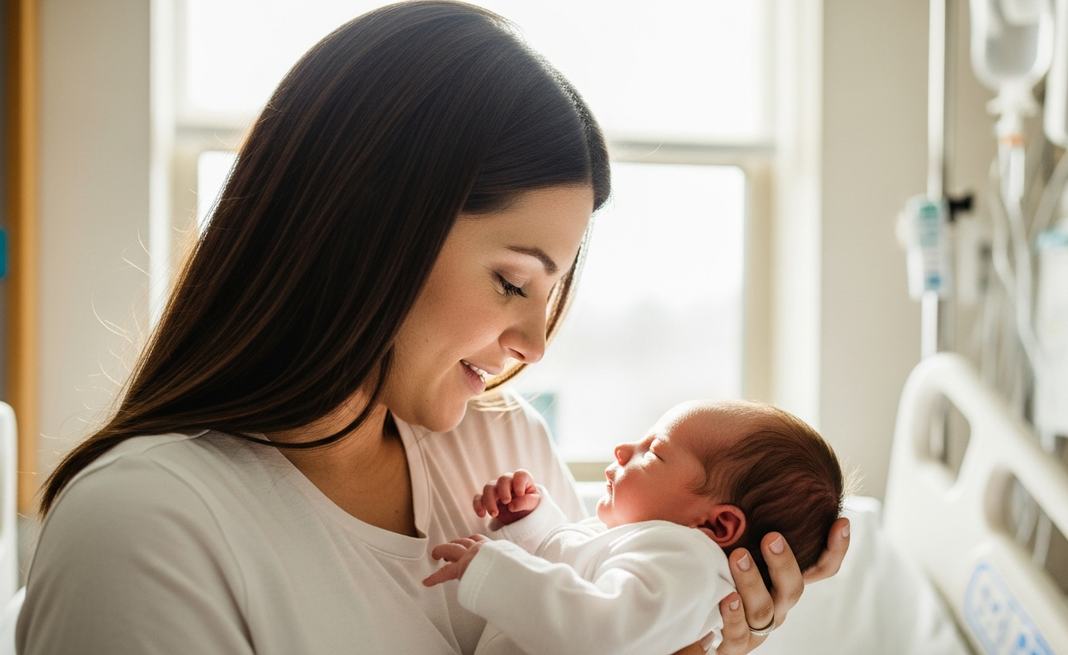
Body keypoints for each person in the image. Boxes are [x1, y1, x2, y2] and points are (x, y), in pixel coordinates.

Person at [16, 2, 850, 654]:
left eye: (549, 294)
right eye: (511, 281)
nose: (535, 344)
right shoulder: (147, 529)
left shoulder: (500, 448)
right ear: (369, 228)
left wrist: (701, 631)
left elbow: (596, 623)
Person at [422, 399, 844, 655]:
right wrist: (530, 524)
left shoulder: (688, 563)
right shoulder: (664, 551)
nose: (624, 449)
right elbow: (577, 574)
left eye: (654, 453)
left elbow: (600, 635)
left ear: (717, 524)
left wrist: (497, 573)